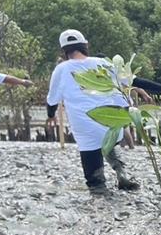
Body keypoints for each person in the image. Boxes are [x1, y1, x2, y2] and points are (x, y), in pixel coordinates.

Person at [46, 29, 141, 195]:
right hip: (109, 118)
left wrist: (51, 115)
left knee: (90, 148)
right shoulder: (103, 63)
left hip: (83, 122)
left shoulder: (61, 69)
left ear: (64, 50)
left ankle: (98, 186)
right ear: (86, 45)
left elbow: (52, 99)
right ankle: (121, 172)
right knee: (108, 139)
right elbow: (132, 80)